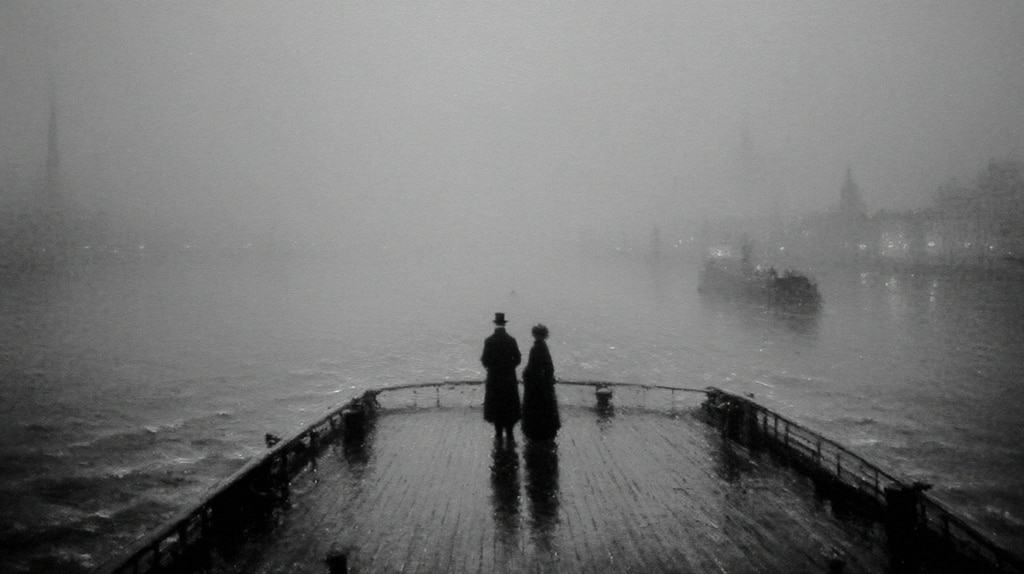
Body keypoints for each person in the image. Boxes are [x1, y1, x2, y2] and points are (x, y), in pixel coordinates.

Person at [481, 312, 521, 442]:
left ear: (495, 324)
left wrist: (491, 369)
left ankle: (498, 432)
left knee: (496, 405)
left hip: (494, 379)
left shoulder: (489, 341)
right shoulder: (511, 340)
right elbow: (518, 358)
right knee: (509, 404)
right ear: (504, 324)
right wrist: (510, 368)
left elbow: (485, 360)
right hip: (509, 379)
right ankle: (509, 431)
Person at [521, 323, 561, 441]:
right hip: (543, 382)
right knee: (545, 406)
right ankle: (545, 429)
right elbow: (549, 366)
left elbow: (533, 366)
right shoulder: (543, 347)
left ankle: (536, 429)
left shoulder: (537, 348)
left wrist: (526, 373)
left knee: (536, 406)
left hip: (536, 383)